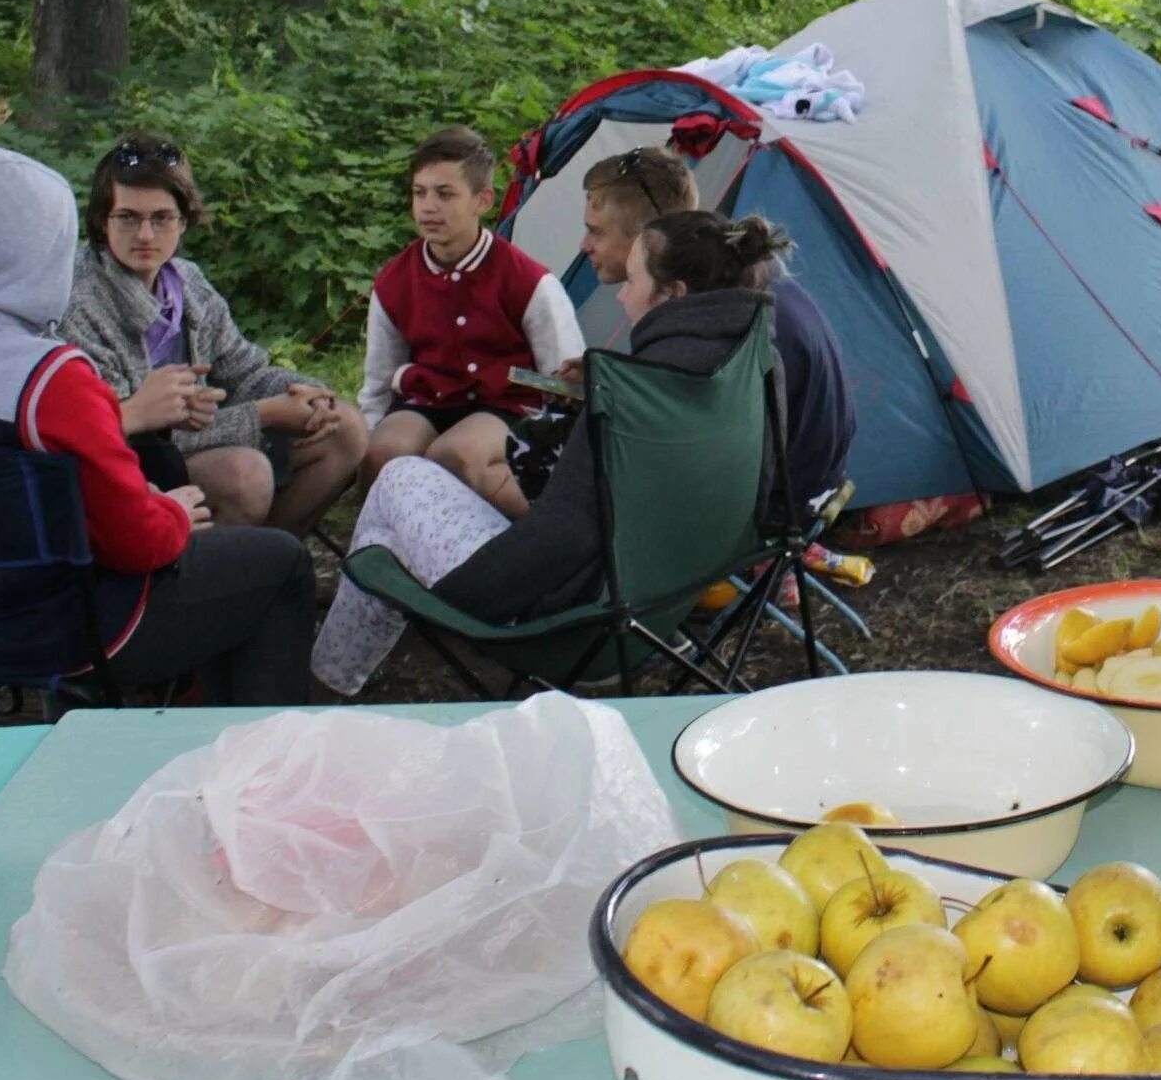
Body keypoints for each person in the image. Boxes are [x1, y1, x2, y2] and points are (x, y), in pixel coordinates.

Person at [0, 145, 316, 705]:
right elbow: (138, 541)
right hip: (67, 624)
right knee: (281, 564)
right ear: (43, 248)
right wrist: (170, 510)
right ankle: (253, 745)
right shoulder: (49, 378)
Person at [314, 211, 790, 696]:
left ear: (676, 294)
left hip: (576, 628)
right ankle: (337, 672)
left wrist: (455, 601)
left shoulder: (631, 396)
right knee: (404, 508)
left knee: (396, 479)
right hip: (664, 608)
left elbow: (564, 532)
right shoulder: (754, 364)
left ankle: (329, 681)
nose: (621, 295)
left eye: (631, 282)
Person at [60, 135, 367, 537]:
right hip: (130, 469)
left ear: (184, 220)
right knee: (245, 475)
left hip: (199, 441)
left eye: (162, 218)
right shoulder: (81, 298)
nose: (146, 235)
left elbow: (245, 370)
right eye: (129, 218)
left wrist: (308, 394)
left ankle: (272, 565)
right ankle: (206, 587)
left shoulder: (186, 282)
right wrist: (265, 415)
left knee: (344, 425)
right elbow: (125, 437)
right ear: (103, 219)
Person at [573, 145, 853, 512]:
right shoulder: (734, 276)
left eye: (595, 232)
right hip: (812, 483)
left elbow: (687, 455)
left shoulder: (720, 322)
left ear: (647, 237)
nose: (584, 246)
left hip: (774, 509)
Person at [358, 126, 583, 518]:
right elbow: (378, 379)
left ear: (483, 200)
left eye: (445, 194)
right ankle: (399, 556)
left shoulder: (528, 280)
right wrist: (368, 435)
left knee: (456, 455)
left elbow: (565, 375)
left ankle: (512, 545)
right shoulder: (394, 281)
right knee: (384, 454)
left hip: (506, 405)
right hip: (429, 401)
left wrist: (553, 436)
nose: (428, 207)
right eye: (419, 192)